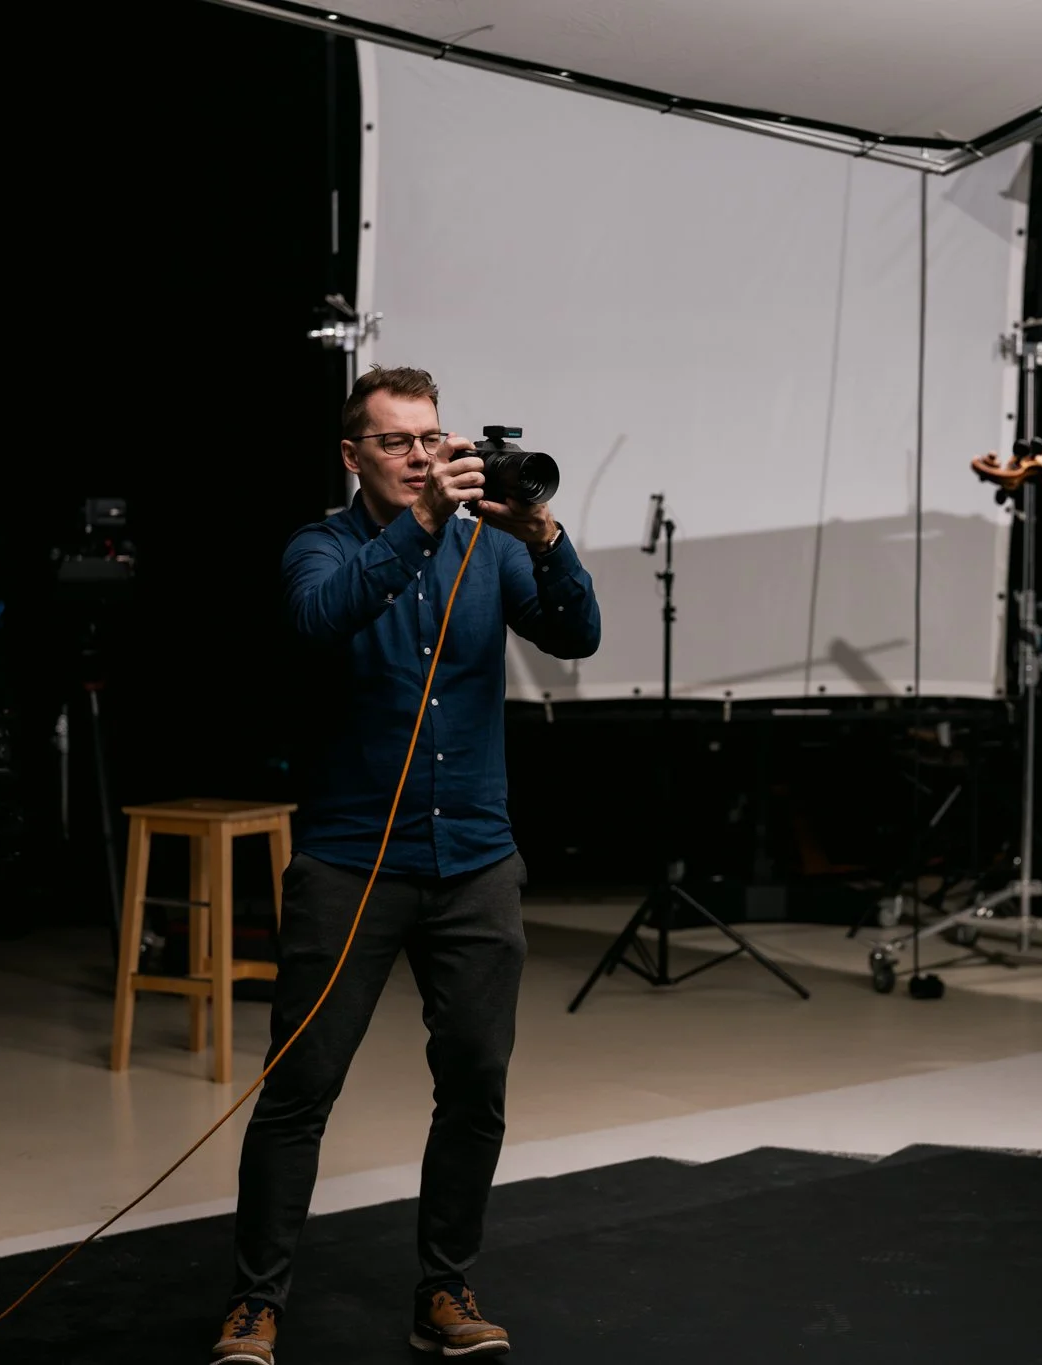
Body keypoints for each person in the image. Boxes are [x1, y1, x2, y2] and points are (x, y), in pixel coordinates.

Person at [210, 366, 601, 1364]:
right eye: (398, 442)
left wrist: (545, 537)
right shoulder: (321, 545)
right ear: (353, 455)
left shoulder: (488, 547)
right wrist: (420, 525)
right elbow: (317, 619)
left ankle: (446, 1289)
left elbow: (577, 635)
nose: (423, 456)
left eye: (432, 439)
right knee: (302, 1089)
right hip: (351, 861)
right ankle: (255, 1303)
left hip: (474, 858)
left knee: (475, 1084)